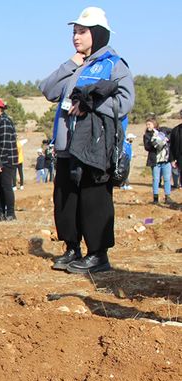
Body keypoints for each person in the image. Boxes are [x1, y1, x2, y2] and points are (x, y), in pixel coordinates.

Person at [41, 6, 134, 274]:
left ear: (97, 33)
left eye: (82, 32)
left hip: (95, 146)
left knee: (93, 199)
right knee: (66, 199)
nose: (76, 37)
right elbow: (47, 90)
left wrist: (91, 104)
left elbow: (124, 103)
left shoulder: (114, 65)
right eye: (74, 32)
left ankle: (98, 255)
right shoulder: (76, 67)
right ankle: (72, 248)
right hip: (67, 146)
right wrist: (71, 64)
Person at [0, 97, 18, 220]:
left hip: (7, 160)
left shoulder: (4, 121)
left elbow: (4, 144)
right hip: (2, 160)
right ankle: (1, 211)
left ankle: (10, 213)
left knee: (6, 186)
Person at [144, 116, 173, 204]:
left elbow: (172, 132)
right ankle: (155, 198)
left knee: (167, 179)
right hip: (155, 161)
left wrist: (166, 138)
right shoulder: (147, 135)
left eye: (149, 124)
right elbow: (147, 147)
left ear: (154, 124)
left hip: (165, 160)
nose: (147, 126)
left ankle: (167, 197)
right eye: (147, 124)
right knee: (156, 179)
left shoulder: (162, 130)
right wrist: (154, 143)